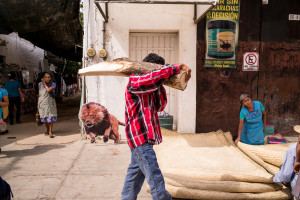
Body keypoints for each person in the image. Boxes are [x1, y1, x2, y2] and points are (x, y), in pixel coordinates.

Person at [121, 53, 191, 200]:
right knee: (154, 174)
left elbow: (160, 106)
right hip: (139, 137)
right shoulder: (136, 80)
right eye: (157, 69)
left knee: (135, 173)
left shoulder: (152, 85)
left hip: (145, 137)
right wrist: (175, 68)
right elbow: (152, 78)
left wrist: (163, 83)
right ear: (148, 68)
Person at [37, 72, 57, 138]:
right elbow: (39, 94)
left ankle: (50, 131)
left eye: (49, 77)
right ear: (43, 78)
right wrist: (38, 103)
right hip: (42, 103)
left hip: (50, 103)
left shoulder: (53, 84)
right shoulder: (39, 84)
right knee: (44, 117)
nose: (47, 78)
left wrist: (44, 83)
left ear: (51, 78)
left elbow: (48, 90)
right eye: (46, 77)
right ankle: (47, 129)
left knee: (50, 118)